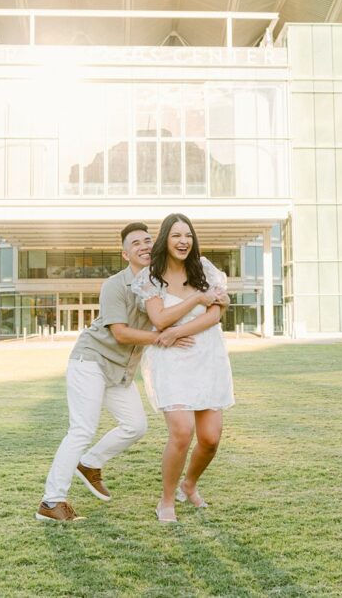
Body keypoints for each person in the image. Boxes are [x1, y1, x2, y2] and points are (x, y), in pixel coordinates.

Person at [36, 222, 223, 522]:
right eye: (136, 243)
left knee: (136, 426)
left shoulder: (157, 281)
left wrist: (214, 301)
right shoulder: (115, 285)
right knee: (82, 428)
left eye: (148, 240)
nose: (144, 246)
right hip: (92, 361)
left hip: (121, 371)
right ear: (125, 254)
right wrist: (165, 337)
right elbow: (121, 334)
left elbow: (188, 309)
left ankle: (90, 463)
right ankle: (51, 501)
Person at [131, 213, 235, 523]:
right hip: (171, 362)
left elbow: (215, 315)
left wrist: (178, 331)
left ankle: (188, 486)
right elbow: (159, 319)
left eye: (187, 235)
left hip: (207, 357)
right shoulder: (151, 277)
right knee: (181, 431)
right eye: (176, 235)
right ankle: (166, 501)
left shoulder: (204, 270)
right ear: (165, 239)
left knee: (211, 438)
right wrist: (196, 300)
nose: (183, 241)